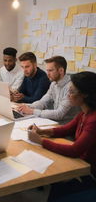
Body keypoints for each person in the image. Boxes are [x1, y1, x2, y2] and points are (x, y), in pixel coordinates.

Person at [28, 72, 96, 200]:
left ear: (85, 94)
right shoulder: (84, 113)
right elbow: (65, 129)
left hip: (88, 172)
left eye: (72, 91)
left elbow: (75, 150)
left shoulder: (93, 119)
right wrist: (41, 131)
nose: (68, 94)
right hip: (79, 164)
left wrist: (41, 141)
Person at [17, 56, 79, 124]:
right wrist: (27, 106)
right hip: (54, 123)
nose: (48, 74)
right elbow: (43, 102)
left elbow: (59, 114)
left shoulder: (71, 87)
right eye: (47, 70)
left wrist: (32, 111)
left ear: (61, 70)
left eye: (50, 70)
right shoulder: (53, 84)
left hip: (66, 126)